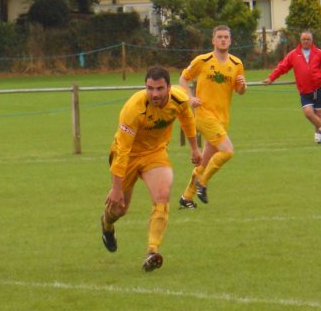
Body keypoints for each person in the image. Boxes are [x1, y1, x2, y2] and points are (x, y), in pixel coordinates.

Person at [101, 65, 202, 272]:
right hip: (128, 156)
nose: (154, 94)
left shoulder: (179, 99)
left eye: (159, 88)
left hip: (155, 153)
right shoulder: (133, 109)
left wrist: (194, 148)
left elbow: (187, 119)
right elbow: (122, 151)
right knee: (119, 209)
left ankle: (152, 251)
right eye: (150, 88)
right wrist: (116, 188)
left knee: (163, 194)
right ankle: (106, 225)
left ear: (169, 87)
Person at [178, 25, 247, 209]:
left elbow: (239, 91)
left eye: (226, 37)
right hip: (204, 115)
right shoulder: (203, 60)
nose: (223, 40)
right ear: (213, 40)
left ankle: (186, 198)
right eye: (220, 37)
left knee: (205, 161)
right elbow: (183, 79)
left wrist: (243, 86)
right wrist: (190, 97)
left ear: (230, 41)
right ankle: (203, 183)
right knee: (228, 151)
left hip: (222, 118)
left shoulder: (236, 64)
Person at [263, 31, 321, 144]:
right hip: (304, 90)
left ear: (312, 41)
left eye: (308, 39)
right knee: (308, 113)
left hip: (318, 88)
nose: (306, 41)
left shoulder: (319, 53)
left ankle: (318, 139)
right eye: (304, 39)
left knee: (319, 114)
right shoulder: (293, 54)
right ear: (300, 40)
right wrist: (271, 78)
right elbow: (282, 67)